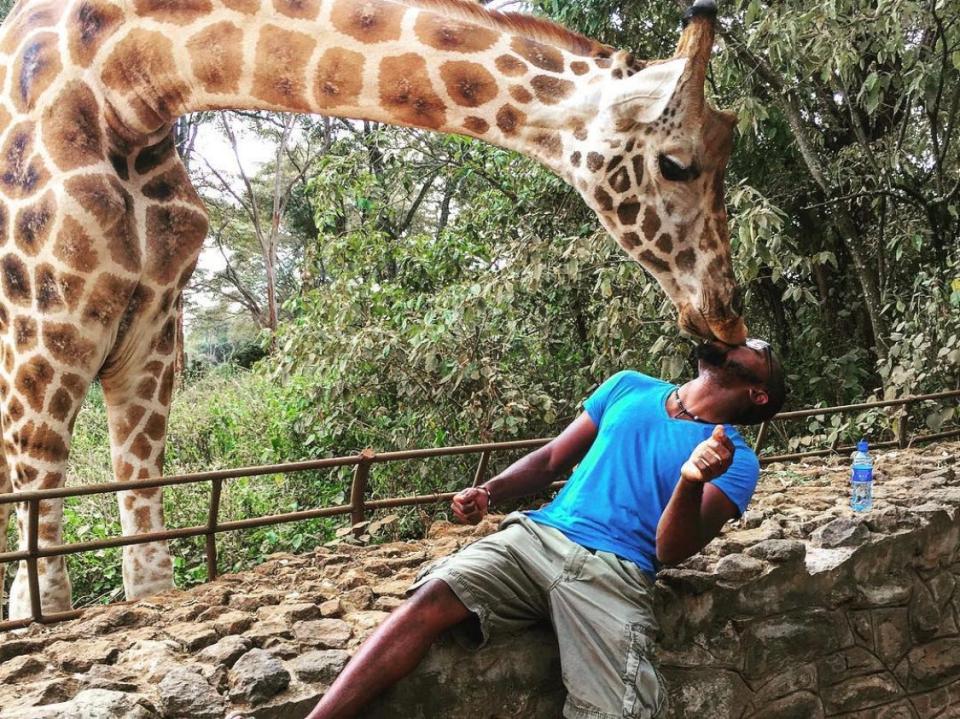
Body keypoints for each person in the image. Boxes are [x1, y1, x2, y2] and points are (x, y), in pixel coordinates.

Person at [305, 339, 787, 719]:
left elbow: (671, 548)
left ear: (758, 392)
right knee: (433, 594)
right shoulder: (629, 386)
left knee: (617, 711)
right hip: (536, 537)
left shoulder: (738, 460)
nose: (740, 339)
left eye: (757, 347)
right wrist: (489, 492)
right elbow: (552, 459)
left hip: (615, 576)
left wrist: (691, 480)